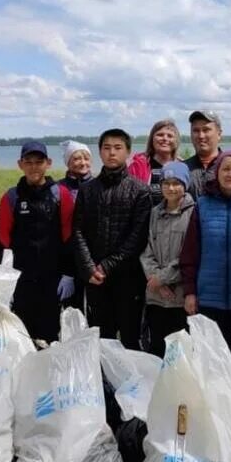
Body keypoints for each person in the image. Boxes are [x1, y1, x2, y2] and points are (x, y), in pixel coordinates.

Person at [74, 128, 152, 349]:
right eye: (106, 148)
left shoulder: (139, 190)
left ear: (128, 152)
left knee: (130, 337)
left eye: (118, 148)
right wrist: (89, 267)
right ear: (99, 152)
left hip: (129, 277)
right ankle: (104, 382)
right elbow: (78, 230)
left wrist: (107, 266)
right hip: (95, 279)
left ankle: (133, 383)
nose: (112, 153)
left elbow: (138, 236)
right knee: (101, 337)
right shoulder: (88, 190)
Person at [179, 150, 231, 376]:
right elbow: (190, 252)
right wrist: (190, 292)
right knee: (208, 362)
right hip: (208, 298)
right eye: (226, 169)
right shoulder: (202, 205)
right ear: (216, 173)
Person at [0, 141, 76, 343]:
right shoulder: (11, 197)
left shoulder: (60, 194)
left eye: (38, 162)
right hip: (22, 278)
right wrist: (6, 282)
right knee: (22, 333)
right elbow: (4, 239)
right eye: (28, 162)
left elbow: (69, 235)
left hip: (53, 277)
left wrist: (69, 273)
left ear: (48, 163)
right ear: (20, 164)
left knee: (50, 333)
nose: (34, 167)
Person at [140, 162, 196, 359]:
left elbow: (189, 254)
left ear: (185, 185)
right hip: (156, 295)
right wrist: (155, 278)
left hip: (180, 297)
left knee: (181, 354)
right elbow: (146, 250)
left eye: (176, 183)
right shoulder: (155, 212)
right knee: (156, 349)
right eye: (166, 183)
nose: (171, 188)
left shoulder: (193, 212)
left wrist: (163, 278)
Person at [58, 140, 94, 311]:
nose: (82, 162)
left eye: (86, 158)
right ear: (68, 162)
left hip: (94, 259)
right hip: (67, 259)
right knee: (71, 311)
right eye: (77, 158)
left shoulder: (98, 185)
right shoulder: (58, 189)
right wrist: (67, 271)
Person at [128, 119, 181, 204]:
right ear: (152, 139)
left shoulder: (182, 166)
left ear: (176, 141)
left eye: (170, 136)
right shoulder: (137, 165)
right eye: (160, 135)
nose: (165, 138)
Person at [183, 109, 223, 198]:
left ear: (219, 134)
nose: (201, 136)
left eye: (206, 130)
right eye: (196, 131)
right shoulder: (183, 169)